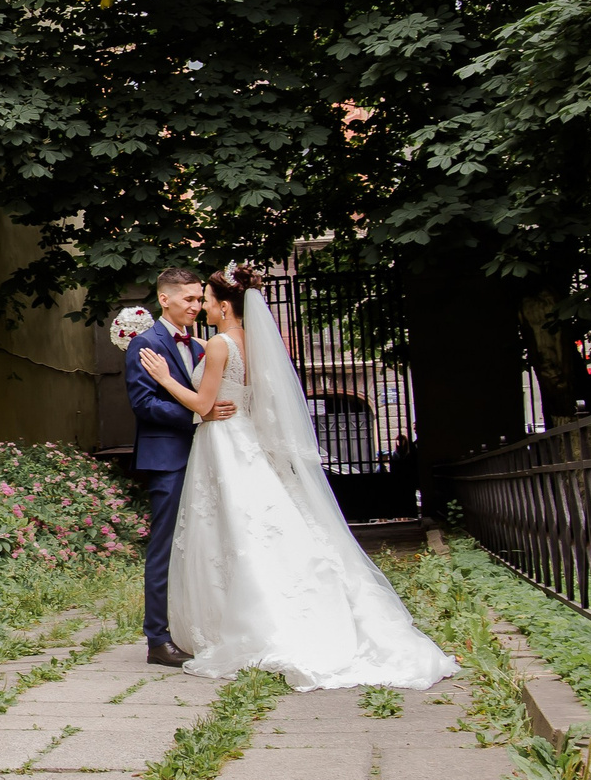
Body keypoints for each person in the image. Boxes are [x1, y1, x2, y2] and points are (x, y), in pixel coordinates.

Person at [136, 266, 457, 691]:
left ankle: (238, 619)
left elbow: (204, 402)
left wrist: (164, 378)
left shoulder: (216, 344)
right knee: (257, 529)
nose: (203, 307)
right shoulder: (247, 342)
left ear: (224, 304)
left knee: (231, 531)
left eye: (207, 301)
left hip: (224, 442)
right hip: (244, 440)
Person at [123, 268, 234, 668]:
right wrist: (197, 416)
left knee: (206, 544)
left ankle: (200, 626)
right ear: (164, 299)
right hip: (168, 457)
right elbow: (144, 405)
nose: (195, 306)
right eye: (187, 299)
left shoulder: (204, 345)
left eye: (197, 297)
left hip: (210, 455)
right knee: (166, 548)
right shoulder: (144, 345)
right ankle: (157, 640)